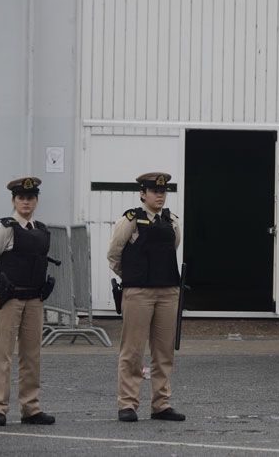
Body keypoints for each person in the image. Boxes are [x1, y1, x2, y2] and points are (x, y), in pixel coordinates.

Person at [107, 172, 186, 423]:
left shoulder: (171, 221)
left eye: (163, 192)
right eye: (154, 191)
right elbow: (114, 255)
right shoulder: (130, 220)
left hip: (167, 291)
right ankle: (127, 404)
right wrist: (133, 277)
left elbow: (172, 246)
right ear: (143, 193)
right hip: (138, 292)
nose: (159, 195)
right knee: (133, 351)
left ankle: (161, 404)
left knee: (163, 352)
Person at [0, 177, 56, 426]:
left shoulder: (41, 230)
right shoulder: (6, 228)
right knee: (2, 355)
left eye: (30, 198)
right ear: (13, 200)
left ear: (36, 200)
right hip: (9, 299)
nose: (26, 202)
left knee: (32, 356)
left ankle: (31, 408)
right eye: (21, 198)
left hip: (34, 299)